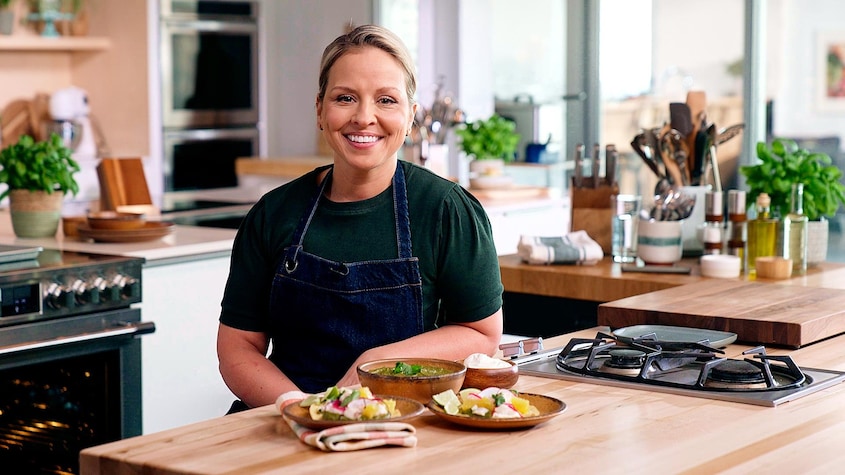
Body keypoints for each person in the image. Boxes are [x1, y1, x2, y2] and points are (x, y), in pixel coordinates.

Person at [216, 24, 504, 412]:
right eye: (345, 98)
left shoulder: (447, 210)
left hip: (402, 418)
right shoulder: (273, 213)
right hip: (281, 416)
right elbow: (238, 347)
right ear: (320, 110)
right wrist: (303, 409)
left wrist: (378, 363)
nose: (364, 117)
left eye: (386, 100)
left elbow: (481, 334)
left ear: (410, 116)